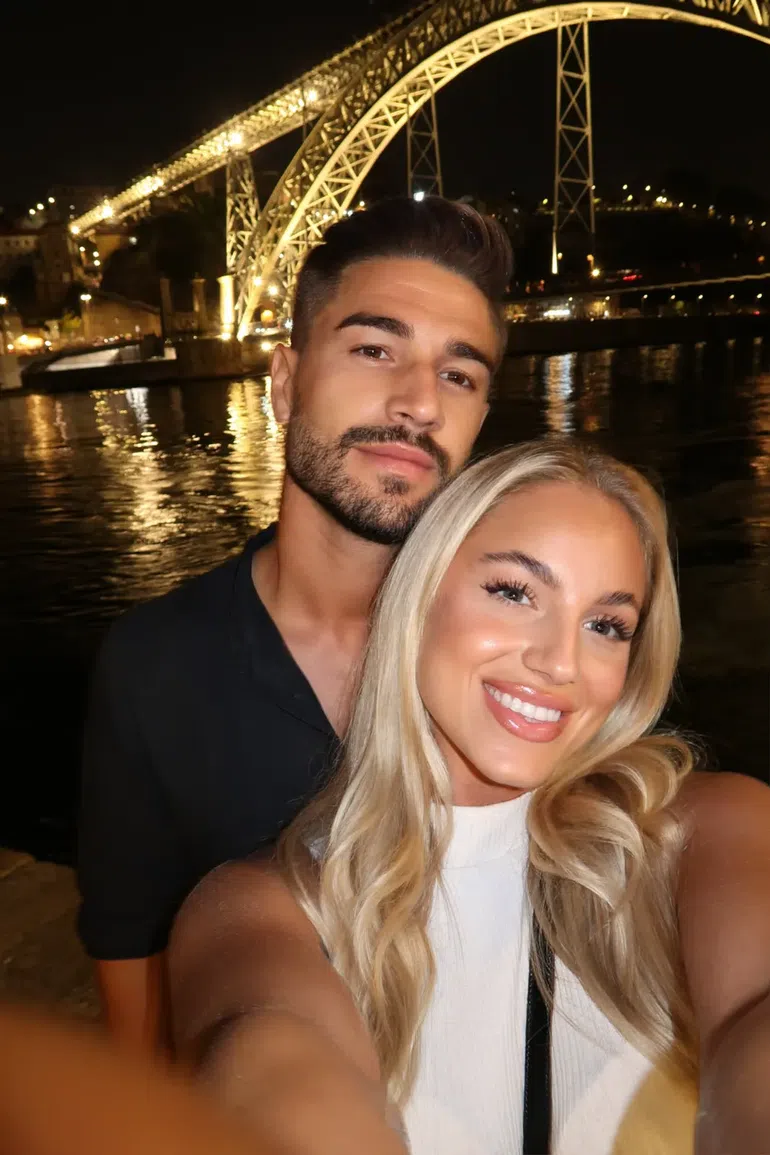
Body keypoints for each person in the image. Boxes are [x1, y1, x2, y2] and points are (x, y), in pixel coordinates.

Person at [168, 439, 770, 1155]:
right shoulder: (267, 906)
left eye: (606, 625)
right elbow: (273, 1068)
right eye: (514, 592)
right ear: (418, 593)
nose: (560, 662)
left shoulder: (702, 833)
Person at [76, 195, 513, 1054]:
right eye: (375, 348)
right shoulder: (155, 666)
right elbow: (137, 998)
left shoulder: (522, 653)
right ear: (284, 382)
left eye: (459, 375)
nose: (420, 402)